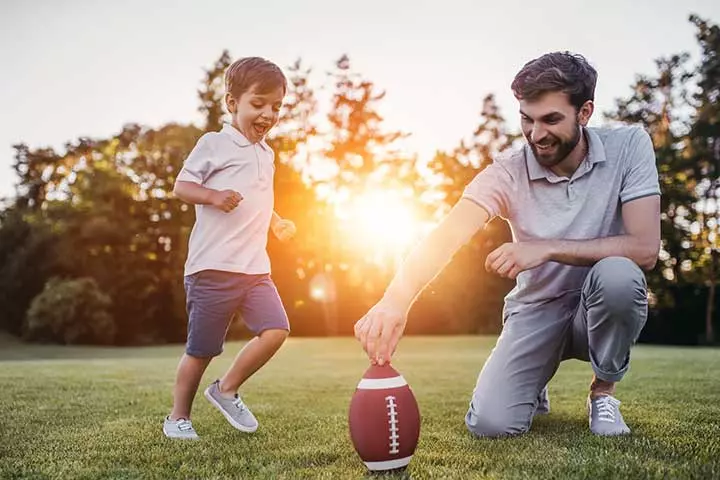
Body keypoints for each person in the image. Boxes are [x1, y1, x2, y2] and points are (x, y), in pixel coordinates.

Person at [354, 51, 661, 437]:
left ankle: (602, 393)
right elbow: (445, 236)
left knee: (619, 276)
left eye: (551, 119)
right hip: (536, 310)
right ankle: (534, 381)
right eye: (526, 120)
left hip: (598, 308)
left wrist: (546, 247)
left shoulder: (629, 146)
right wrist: (394, 301)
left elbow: (645, 248)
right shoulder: (507, 172)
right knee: (491, 424)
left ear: (584, 113)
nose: (536, 134)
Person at [163, 57, 296, 440]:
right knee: (202, 350)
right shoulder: (214, 143)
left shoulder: (267, 154)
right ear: (232, 103)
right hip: (212, 267)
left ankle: (226, 389)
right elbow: (181, 187)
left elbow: (259, 199)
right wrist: (213, 195)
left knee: (276, 330)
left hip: (254, 268)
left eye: (277, 106)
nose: (268, 114)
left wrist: (277, 222)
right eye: (259, 104)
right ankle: (177, 418)